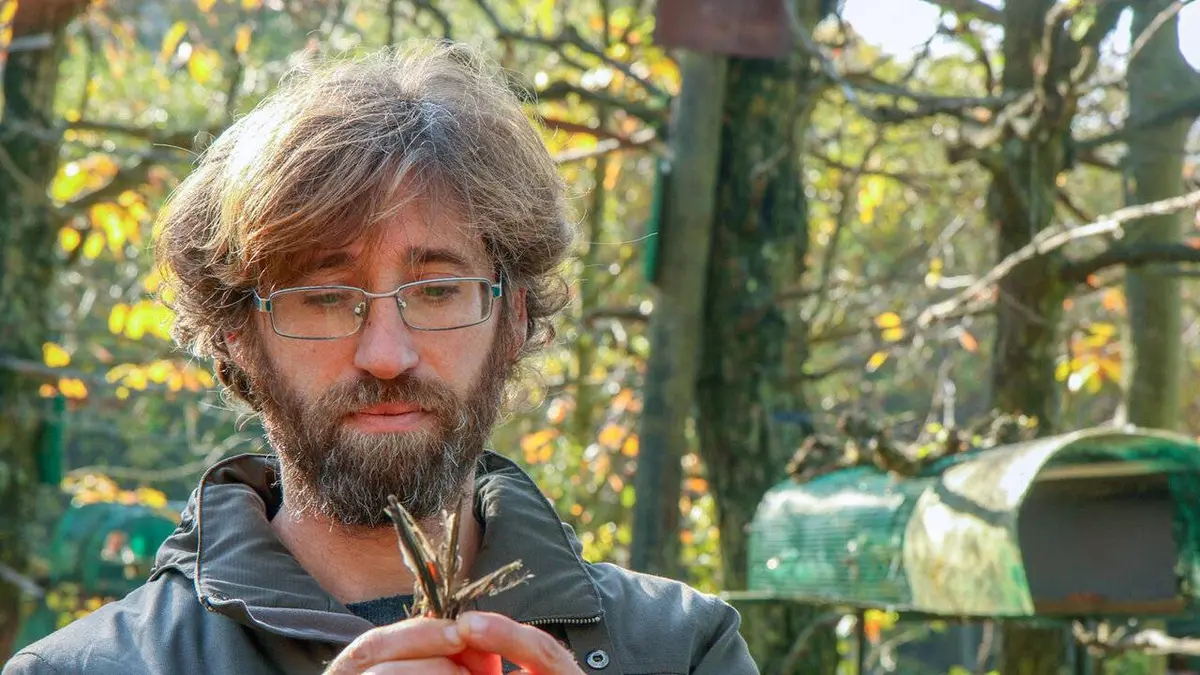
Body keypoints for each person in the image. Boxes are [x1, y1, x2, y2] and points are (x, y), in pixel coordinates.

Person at [4, 41, 757, 675]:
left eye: (437, 290)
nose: (387, 354)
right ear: (237, 334)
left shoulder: (682, 647)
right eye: (325, 298)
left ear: (515, 316)